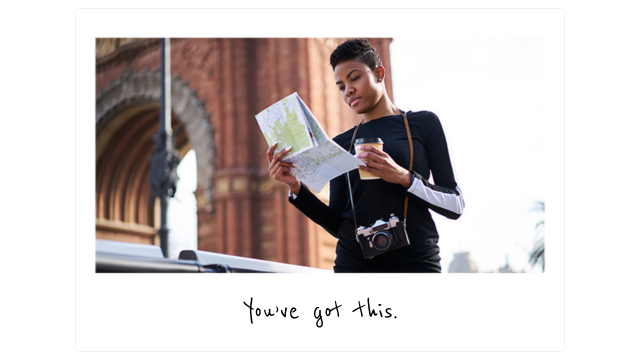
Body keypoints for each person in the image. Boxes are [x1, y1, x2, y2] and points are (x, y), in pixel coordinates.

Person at [266, 38, 464, 272]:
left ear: (379, 73)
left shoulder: (423, 124)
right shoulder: (340, 143)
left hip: (417, 263)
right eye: (341, 86)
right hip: (355, 266)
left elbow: (455, 205)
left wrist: (403, 177)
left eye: (354, 78)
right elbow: (337, 223)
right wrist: (297, 189)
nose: (348, 90)